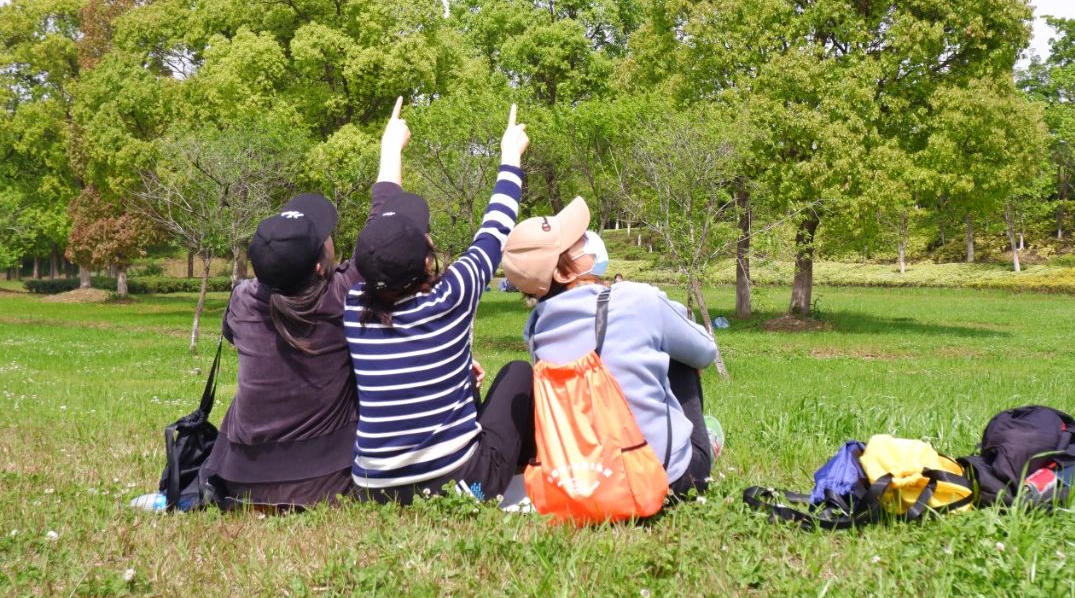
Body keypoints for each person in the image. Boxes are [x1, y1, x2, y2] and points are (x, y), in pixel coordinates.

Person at [200, 98, 411, 510]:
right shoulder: (341, 295)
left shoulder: (242, 300)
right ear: (319, 264)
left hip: (239, 481)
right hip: (325, 483)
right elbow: (381, 227)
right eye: (325, 237)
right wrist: (390, 150)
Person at [343, 104, 533, 505]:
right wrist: (510, 156)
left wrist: (390, 147)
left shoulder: (354, 304)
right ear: (428, 262)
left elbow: (379, 234)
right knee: (518, 373)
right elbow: (496, 227)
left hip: (372, 492)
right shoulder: (452, 295)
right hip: (461, 484)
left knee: (465, 376)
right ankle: (518, 480)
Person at [502, 199, 720, 495]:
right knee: (682, 356)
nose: (587, 239)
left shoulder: (537, 330)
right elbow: (706, 351)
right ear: (563, 274)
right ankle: (703, 440)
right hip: (670, 479)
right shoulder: (636, 299)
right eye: (577, 241)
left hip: (591, 478)